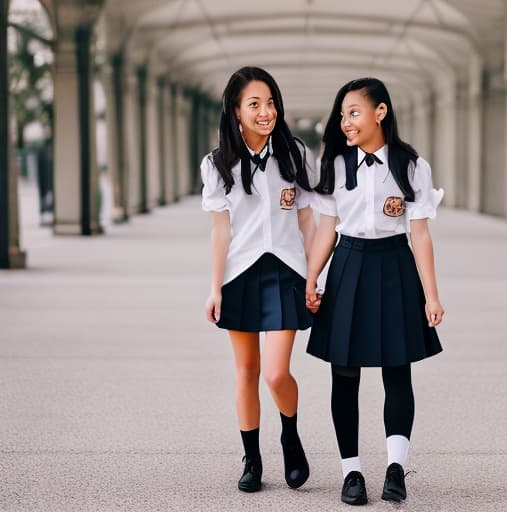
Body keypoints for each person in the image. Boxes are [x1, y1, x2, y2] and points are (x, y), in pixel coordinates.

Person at [305, 77, 444, 505]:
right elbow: (327, 228)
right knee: (343, 374)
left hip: (394, 265)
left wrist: (432, 295)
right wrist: (312, 278)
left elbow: (419, 234)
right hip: (348, 265)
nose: (345, 122)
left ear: (380, 112)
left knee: (396, 370)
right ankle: (351, 473)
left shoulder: (410, 165)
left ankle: (395, 470)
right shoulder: (335, 165)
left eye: (354, 112)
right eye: (342, 114)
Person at [201, 66, 316, 493]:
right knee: (246, 370)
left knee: (275, 373)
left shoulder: (295, 154)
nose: (265, 111)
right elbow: (220, 231)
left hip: (287, 269)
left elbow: (308, 219)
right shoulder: (217, 165)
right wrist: (215, 287)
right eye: (254, 104)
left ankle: (290, 434)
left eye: (270, 103)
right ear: (235, 110)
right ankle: (251, 457)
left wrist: (313, 276)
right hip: (240, 273)